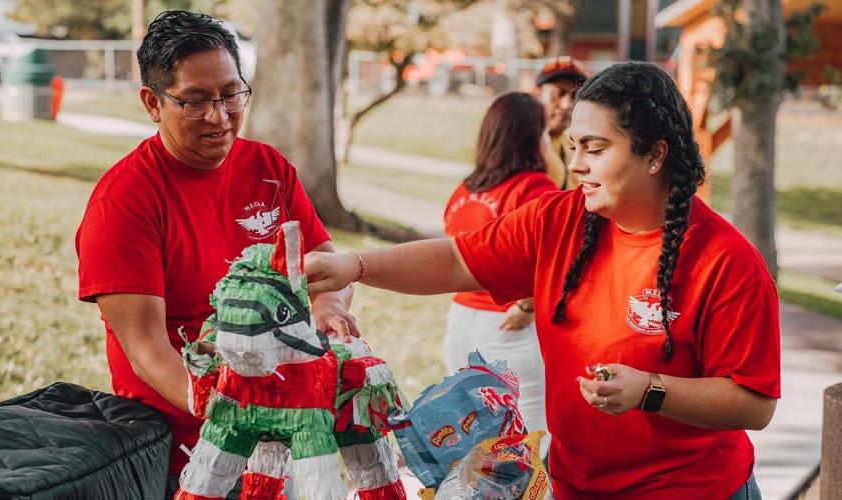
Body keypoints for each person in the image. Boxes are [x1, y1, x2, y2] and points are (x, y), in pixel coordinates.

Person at [305, 62, 780, 499]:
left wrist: (650, 389)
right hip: (576, 486)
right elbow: (454, 260)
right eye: (573, 147)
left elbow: (754, 403)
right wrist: (355, 265)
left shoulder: (724, 260)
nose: (576, 165)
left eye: (595, 149)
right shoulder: (558, 219)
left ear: (655, 154)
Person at [74, 11, 358, 495]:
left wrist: (329, 308)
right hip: (181, 454)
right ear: (153, 103)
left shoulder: (267, 168)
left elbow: (325, 268)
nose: (219, 116)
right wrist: (229, 408)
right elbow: (146, 351)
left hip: (274, 438)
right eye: (196, 101)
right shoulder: (123, 201)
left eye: (231, 94)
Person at [442, 92, 556, 439]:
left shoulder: (464, 191)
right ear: (533, 136)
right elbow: (548, 256)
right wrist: (528, 305)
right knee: (531, 438)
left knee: (476, 437)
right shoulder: (534, 189)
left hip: (460, 322)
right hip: (508, 323)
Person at [535, 56, 588, 190]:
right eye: (559, 93)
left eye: (574, 96)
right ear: (538, 93)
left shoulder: (574, 147)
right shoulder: (523, 148)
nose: (567, 105)